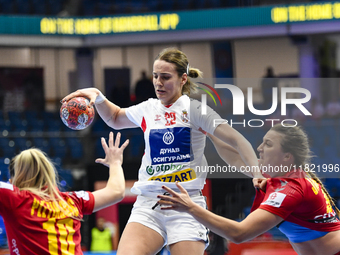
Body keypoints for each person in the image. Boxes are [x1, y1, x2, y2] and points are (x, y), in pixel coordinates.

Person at [62, 48, 263, 255]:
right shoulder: (148, 109)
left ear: (183, 78)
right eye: (155, 76)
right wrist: (99, 97)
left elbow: (237, 140)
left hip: (186, 204)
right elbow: (114, 118)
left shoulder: (195, 110)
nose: (158, 82)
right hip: (149, 204)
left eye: (165, 77)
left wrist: (256, 173)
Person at [158, 124, 340, 255]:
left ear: (286, 156)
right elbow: (235, 157)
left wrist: (191, 207)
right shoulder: (281, 174)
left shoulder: (291, 189)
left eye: (268, 144)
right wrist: (208, 131)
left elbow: (239, 233)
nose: (259, 149)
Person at [1, 132, 128, 255]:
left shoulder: (15, 199)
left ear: (14, 182)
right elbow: (116, 191)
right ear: (49, 174)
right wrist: (115, 163)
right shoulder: (73, 200)